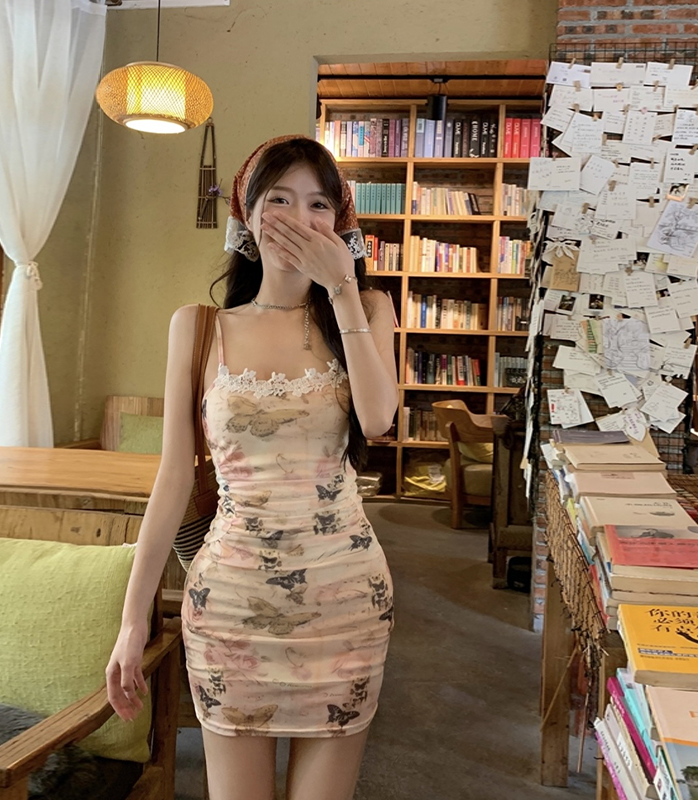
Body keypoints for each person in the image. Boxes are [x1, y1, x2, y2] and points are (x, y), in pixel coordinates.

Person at [106, 134, 399, 800]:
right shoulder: (198, 326)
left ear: (340, 224)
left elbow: (379, 418)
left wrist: (342, 288)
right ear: (249, 215)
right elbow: (173, 480)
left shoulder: (369, 309)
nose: (300, 218)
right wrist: (131, 621)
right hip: (231, 606)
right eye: (280, 199)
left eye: (319, 204)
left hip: (345, 601)